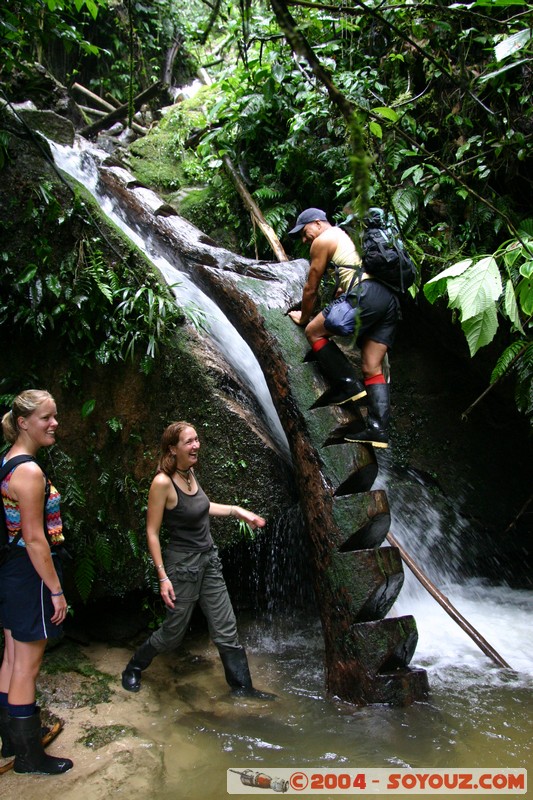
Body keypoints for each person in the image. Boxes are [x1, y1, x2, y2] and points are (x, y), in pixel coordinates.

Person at [121, 421, 275, 699]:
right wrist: (163, 577)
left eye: (196, 440)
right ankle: (134, 667)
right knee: (173, 633)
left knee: (226, 627)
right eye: (189, 442)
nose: (196, 445)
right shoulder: (162, 483)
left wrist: (238, 511)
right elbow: (151, 532)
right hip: (183, 567)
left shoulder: (189, 472)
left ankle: (244, 689)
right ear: (172, 449)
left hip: (209, 560)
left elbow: (202, 506)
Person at [0, 389, 73, 774]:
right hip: (31, 576)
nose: (54, 423)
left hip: (12, 571)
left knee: (12, 659)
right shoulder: (29, 471)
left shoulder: (7, 461)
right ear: (24, 422)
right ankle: (29, 757)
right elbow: (34, 537)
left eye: (55, 415)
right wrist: (56, 591)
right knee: (26, 667)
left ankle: (11, 740)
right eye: (47, 417)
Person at [287, 208, 400, 448]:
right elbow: (347, 282)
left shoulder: (324, 240)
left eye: (304, 232)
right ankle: (378, 430)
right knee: (371, 366)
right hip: (388, 300)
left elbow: (311, 288)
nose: (305, 239)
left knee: (313, 331)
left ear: (318, 223)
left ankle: (348, 384)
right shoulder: (349, 237)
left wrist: (304, 316)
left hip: (367, 294)